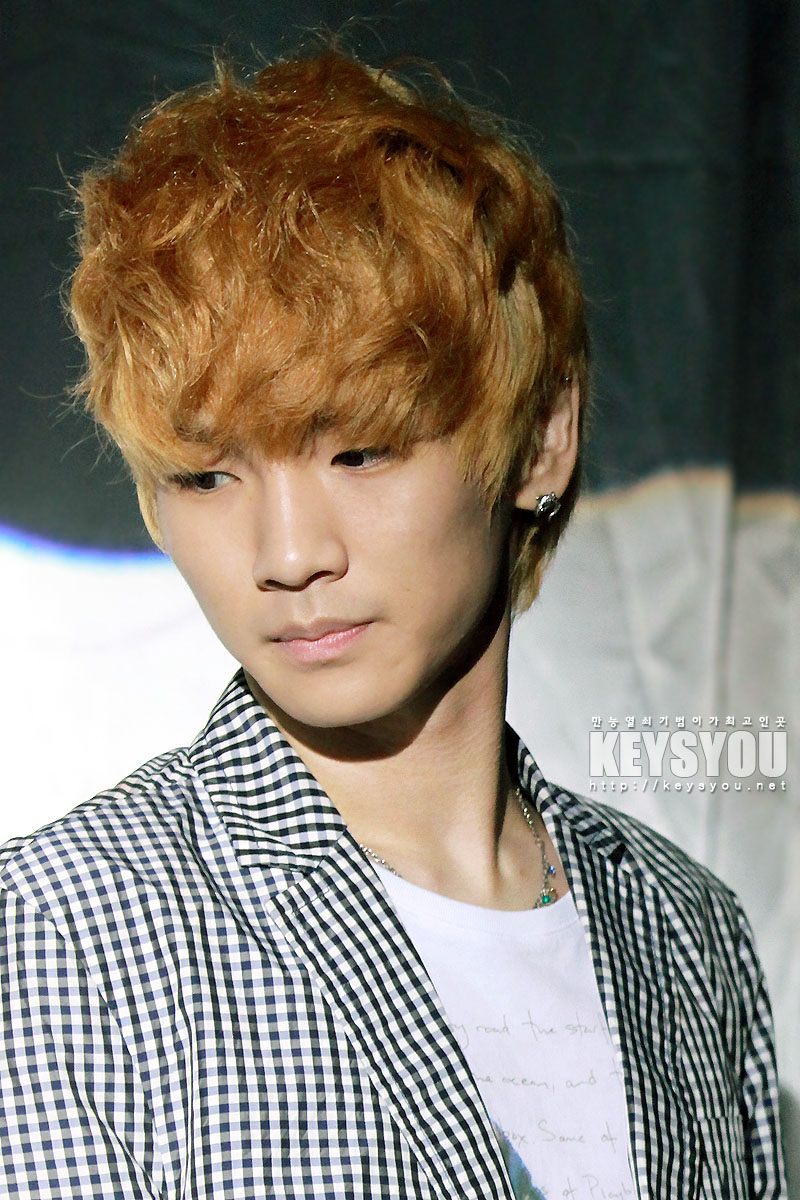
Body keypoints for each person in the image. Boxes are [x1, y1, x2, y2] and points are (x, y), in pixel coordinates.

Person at [0, 46, 784, 1200]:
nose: (287, 556)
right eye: (205, 474)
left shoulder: (687, 936)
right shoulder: (59, 941)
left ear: (542, 441)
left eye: (359, 452)